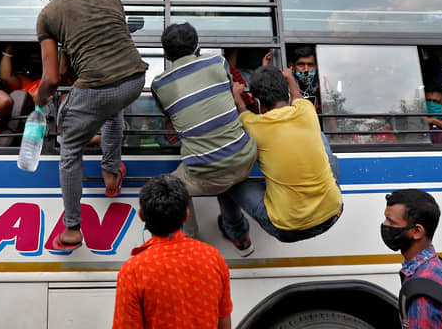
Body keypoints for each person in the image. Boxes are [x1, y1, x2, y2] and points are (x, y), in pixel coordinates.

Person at [35, 0, 148, 250]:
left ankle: (72, 229)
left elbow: (52, 79)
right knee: (112, 108)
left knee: (69, 148)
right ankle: (111, 173)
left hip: (97, 88)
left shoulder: (48, 14)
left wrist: (38, 98)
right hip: (135, 79)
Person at [151, 23, 257, 249]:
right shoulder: (218, 62)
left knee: (172, 186)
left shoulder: (159, 85)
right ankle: (239, 235)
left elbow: (169, 115)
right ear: (197, 47)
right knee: (221, 172)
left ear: (167, 54)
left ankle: (192, 243)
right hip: (247, 158)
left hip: (207, 175)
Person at [218, 65, 341, 248]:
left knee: (224, 181)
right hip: (333, 212)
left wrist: (238, 97)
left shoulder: (254, 126)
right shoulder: (306, 110)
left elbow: (242, 112)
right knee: (318, 134)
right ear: (286, 93)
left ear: (258, 102)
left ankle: (239, 236)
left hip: (287, 229)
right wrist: (289, 77)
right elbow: (297, 96)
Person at [111, 174, 233, 329]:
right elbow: (224, 322)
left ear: (142, 216)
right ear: (186, 216)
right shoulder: (213, 258)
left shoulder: (134, 270)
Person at [382, 189, 442, 329]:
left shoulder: (422, 295)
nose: (384, 225)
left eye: (391, 222)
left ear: (417, 231)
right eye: (385, 218)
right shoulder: (437, 266)